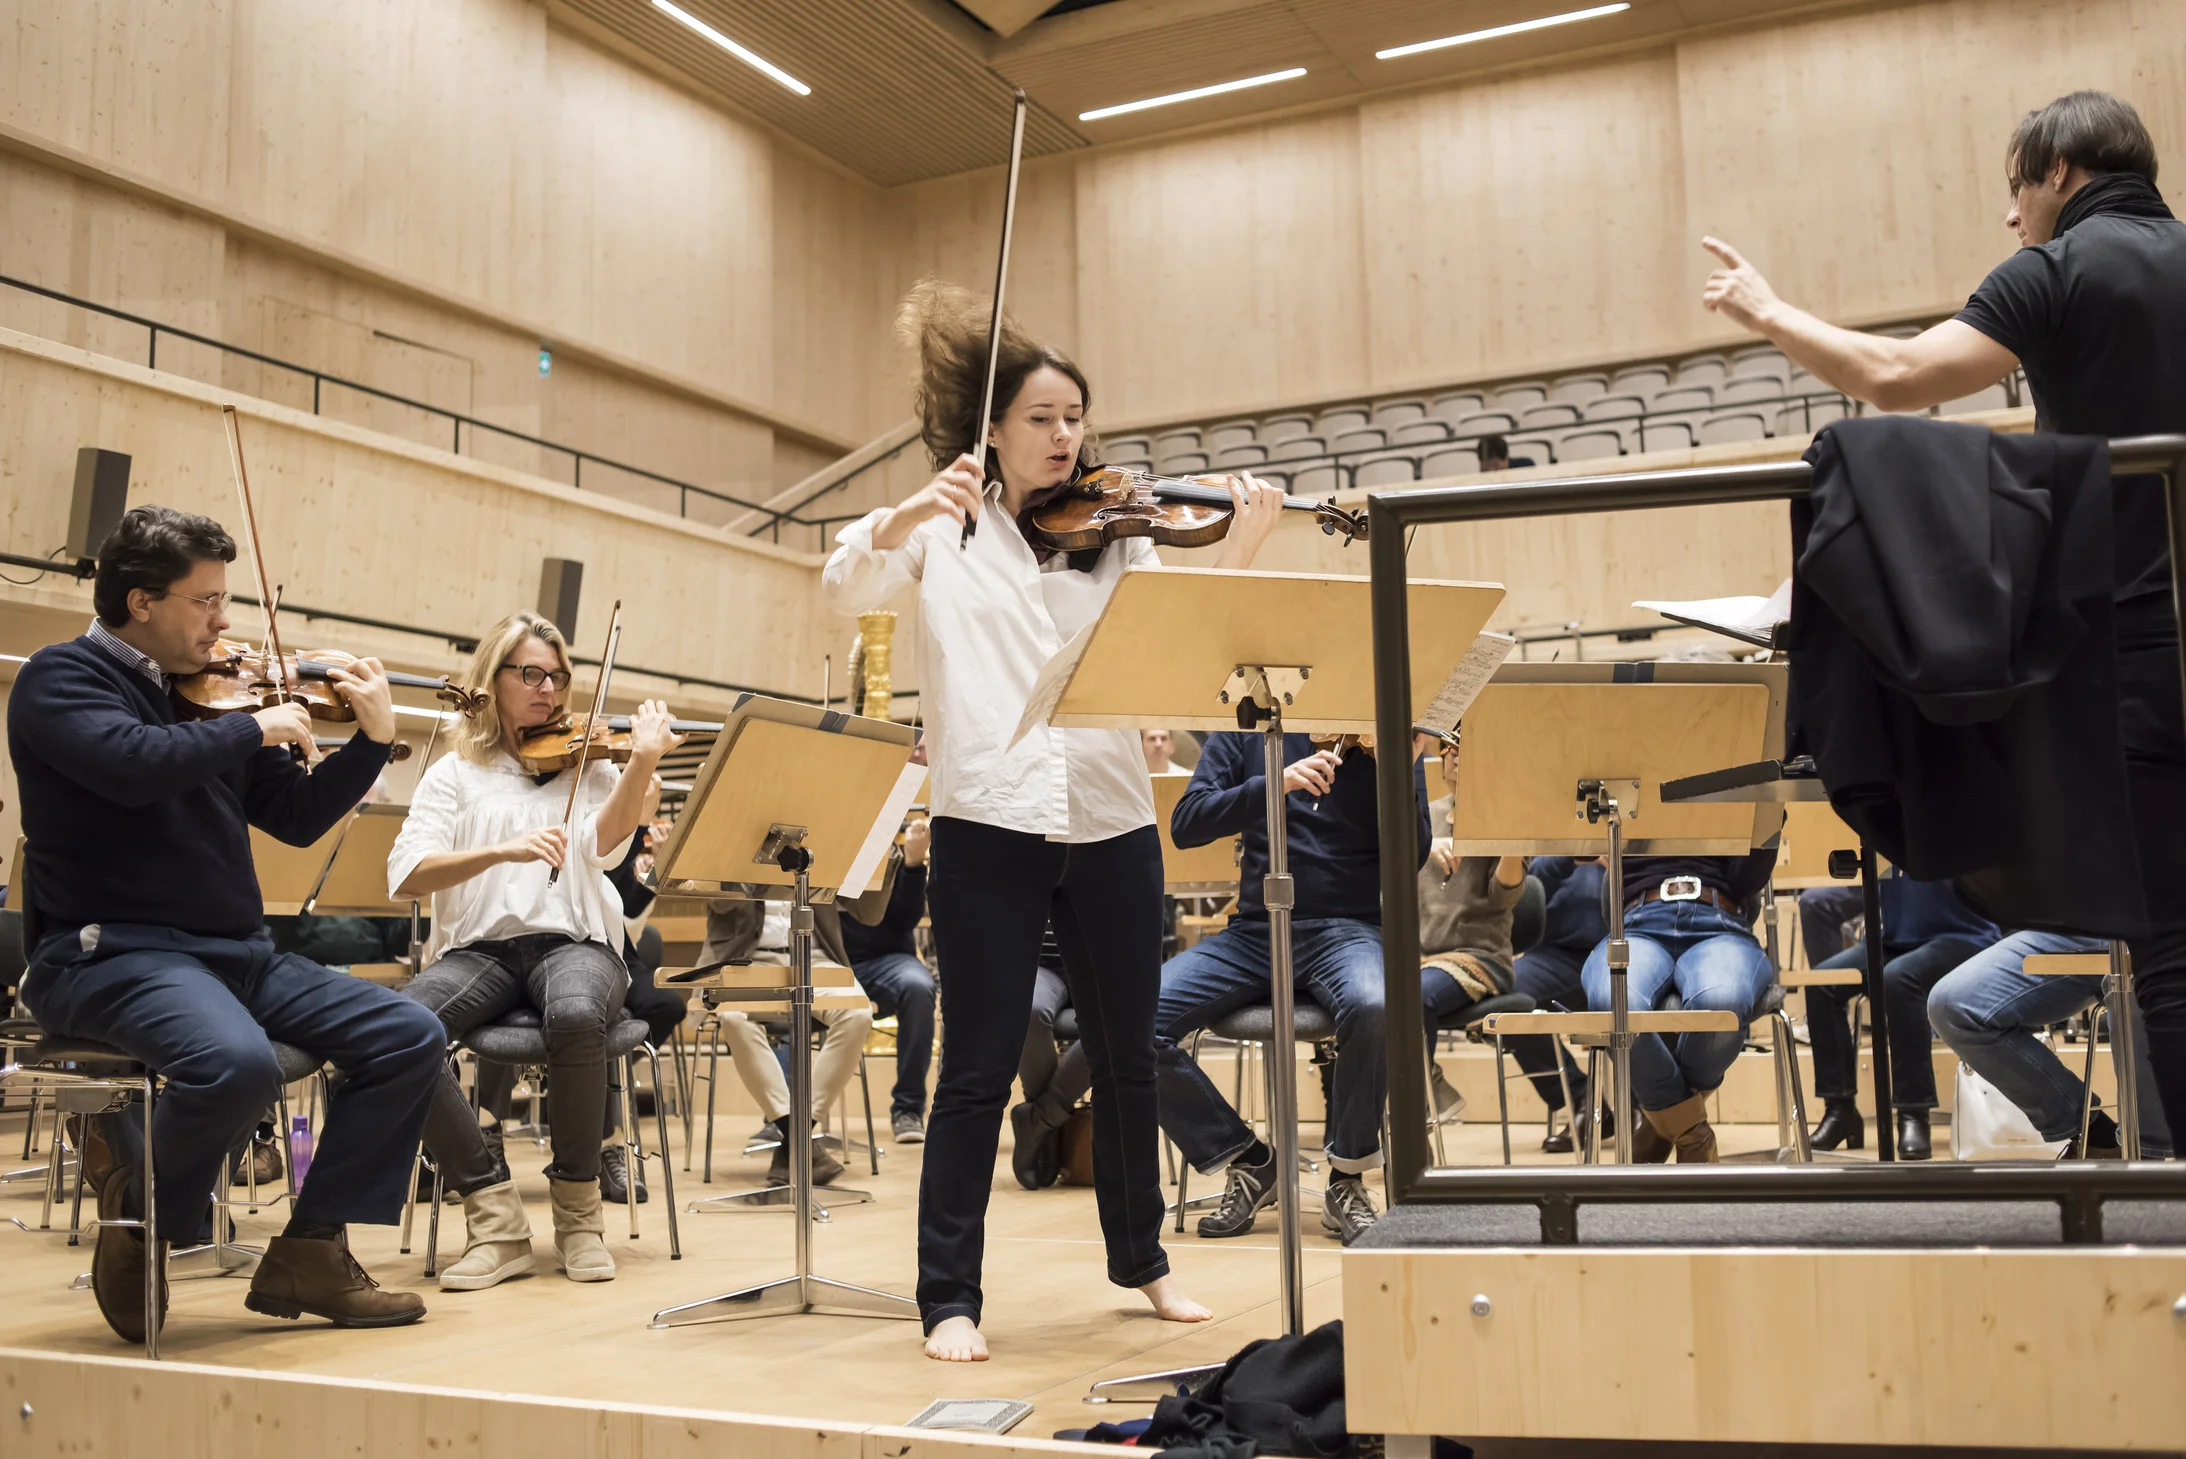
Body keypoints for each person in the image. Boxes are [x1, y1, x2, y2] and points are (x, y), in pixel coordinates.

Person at [1700, 90, 2186, 1139]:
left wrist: (1766, 311)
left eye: (2014, 189)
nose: (2011, 218)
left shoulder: (2056, 269)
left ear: (2056, 172)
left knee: (2172, 950)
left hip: (2147, 648)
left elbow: (1897, 379)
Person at [822, 278, 1284, 1361]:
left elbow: (1176, 647)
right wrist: (899, 513)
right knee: (975, 1066)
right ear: (990, 426)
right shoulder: (941, 529)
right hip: (986, 819)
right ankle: (949, 1295)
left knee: (1127, 1052)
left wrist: (1246, 550)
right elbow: (846, 585)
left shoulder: (1116, 534)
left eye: (1074, 418)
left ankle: (1144, 1261)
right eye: (1040, 417)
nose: (1064, 436)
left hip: (1112, 819)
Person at [9, 505, 446, 1342]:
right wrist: (253, 726)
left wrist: (371, 741)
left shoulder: (213, 698)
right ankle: (142, 1221)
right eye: (207, 599)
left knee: (409, 1032)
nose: (225, 620)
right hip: (110, 954)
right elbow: (132, 767)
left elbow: (293, 814)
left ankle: (310, 1249)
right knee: (235, 1065)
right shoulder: (61, 680)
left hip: (235, 956)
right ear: (142, 602)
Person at [388, 610, 683, 1290]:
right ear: (492, 680)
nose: (548, 688)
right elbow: (404, 872)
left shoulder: (589, 763)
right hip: (480, 950)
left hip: (573, 941)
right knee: (396, 1030)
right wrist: (502, 849)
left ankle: (579, 1215)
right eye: (531, 673)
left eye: (557, 676)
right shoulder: (455, 774)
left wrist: (641, 758)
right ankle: (494, 1217)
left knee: (579, 1014)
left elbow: (608, 846)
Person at [1152, 731, 1429, 1246]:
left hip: (1348, 928)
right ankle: (1251, 1160)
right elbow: (1186, 824)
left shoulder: (1385, 733)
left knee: (1376, 1004)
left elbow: (1410, 856)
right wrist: (1273, 785)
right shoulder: (1248, 732)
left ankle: (1346, 1177)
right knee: (1131, 1021)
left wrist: (1399, 771)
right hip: (1255, 931)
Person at [1583, 851, 1777, 1162]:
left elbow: (1747, 880)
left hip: (1720, 922)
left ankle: (1663, 1123)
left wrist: (1768, 818)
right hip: (1636, 923)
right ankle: (1691, 1133)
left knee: (1720, 1004)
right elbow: (1579, 847)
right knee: (1613, 1005)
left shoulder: (1730, 801)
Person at [696, 878, 879, 1188]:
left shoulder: (825, 837)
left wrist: (888, 860)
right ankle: (796, 1134)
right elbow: (721, 902)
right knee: (733, 1017)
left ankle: (794, 1137)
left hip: (816, 959)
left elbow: (869, 913)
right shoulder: (728, 835)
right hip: (746, 959)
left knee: (858, 1013)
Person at [1801, 873, 1999, 1158]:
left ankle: (1913, 1113)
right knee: (1822, 982)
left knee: (1898, 979)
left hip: (1963, 936)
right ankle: (1839, 1109)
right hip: (1896, 939)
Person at [1927, 931, 2173, 1159]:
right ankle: (2096, 1136)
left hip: (2158, 925)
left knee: (2140, 983)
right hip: (2076, 926)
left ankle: (2146, 1155)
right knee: (1953, 1006)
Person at [839, 814, 936, 1144]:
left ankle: (907, 1109)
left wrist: (912, 864)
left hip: (886, 960)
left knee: (919, 987)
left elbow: (905, 920)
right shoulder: (819, 841)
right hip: (827, 961)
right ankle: (783, 1115)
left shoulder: (886, 850)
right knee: (794, 986)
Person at [1504, 856, 1607, 1152]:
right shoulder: (1551, 827)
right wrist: (1570, 855)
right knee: (1506, 999)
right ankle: (1581, 1097)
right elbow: (1531, 887)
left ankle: (1645, 1106)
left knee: (1624, 993)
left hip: (1619, 949)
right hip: (1552, 956)